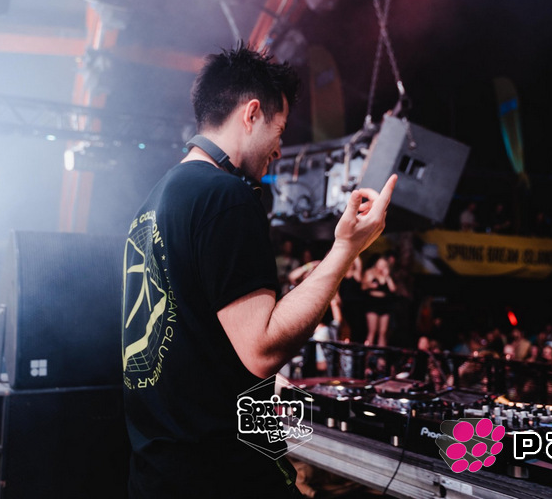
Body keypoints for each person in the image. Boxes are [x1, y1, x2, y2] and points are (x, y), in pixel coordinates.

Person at [119, 45, 396, 498]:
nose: (280, 149)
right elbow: (261, 349)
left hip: (159, 476)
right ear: (251, 114)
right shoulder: (224, 195)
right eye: (279, 129)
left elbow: (188, 337)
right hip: (220, 479)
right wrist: (346, 249)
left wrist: (254, 384)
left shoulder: (155, 201)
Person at [361, 255, 396, 347]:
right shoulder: (370, 272)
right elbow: (363, 287)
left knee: (383, 332)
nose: (381, 267)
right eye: (380, 264)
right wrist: (370, 285)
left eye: (384, 265)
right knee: (372, 331)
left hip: (384, 303)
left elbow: (393, 289)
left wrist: (387, 277)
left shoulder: (386, 275)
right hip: (372, 303)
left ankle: (381, 354)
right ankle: (368, 354)